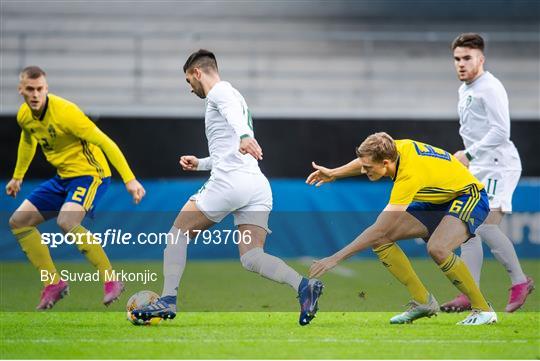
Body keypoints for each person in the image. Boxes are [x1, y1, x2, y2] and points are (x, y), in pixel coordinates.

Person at [131, 49, 323, 326]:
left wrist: (245, 136)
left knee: (177, 235)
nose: (190, 88)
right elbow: (229, 149)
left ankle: (168, 298)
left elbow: (236, 126)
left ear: (197, 72)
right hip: (255, 185)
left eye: (188, 80)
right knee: (252, 257)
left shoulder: (219, 93)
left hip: (230, 183)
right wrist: (199, 163)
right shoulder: (235, 95)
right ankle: (303, 286)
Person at [307, 132, 497, 325]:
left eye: (368, 168)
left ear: (386, 163)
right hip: (437, 199)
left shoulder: (408, 176)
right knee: (382, 240)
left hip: (468, 196)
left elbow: (378, 229)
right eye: (363, 166)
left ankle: (483, 310)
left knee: (437, 248)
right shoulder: (392, 148)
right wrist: (333, 173)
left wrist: (334, 259)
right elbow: (366, 161)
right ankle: (423, 301)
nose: (364, 171)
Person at [6, 66, 146, 310]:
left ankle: (111, 280)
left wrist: (130, 179)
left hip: (91, 174)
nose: (36, 94)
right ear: (21, 90)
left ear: (46, 89)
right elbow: (28, 140)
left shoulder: (66, 113)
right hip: (63, 177)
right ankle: (53, 283)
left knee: (66, 221)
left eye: (40, 89)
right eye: (30, 89)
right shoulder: (24, 116)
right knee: (18, 221)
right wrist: (17, 177)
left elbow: (105, 142)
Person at [440, 33, 534, 313]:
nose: (461, 64)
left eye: (467, 58)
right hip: (480, 164)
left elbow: (501, 131)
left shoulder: (489, 87)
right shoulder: (465, 89)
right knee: (468, 230)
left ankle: (519, 281)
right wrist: (470, 157)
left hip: (499, 164)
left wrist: (467, 154)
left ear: (481, 59)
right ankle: (470, 293)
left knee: (483, 225)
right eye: (457, 59)